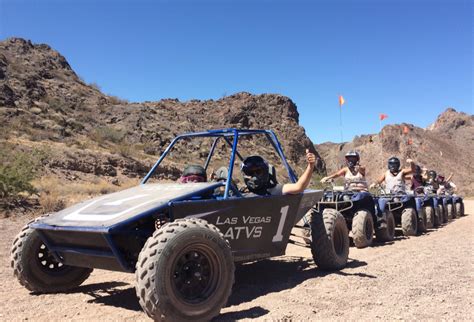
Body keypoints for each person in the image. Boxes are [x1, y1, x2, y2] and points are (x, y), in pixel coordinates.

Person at [240, 149, 316, 196]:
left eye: (258, 171)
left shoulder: (274, 190)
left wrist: (310, 166)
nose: (254, 176)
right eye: (250, 172)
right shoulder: (241, 193)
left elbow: (298, 187)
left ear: (266, 172)